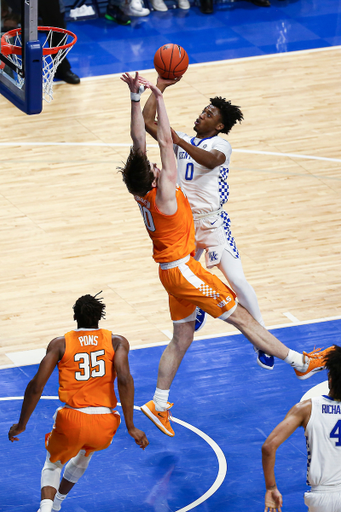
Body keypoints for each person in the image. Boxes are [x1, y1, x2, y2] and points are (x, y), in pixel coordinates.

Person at [119, 71, 333, 439]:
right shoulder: (166, 191)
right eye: (155, 168)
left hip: (172, 268)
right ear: (155, 178)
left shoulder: (142, 191)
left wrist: (138, 99)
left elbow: (140, 139)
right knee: (242, 318)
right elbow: (165, 146)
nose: (156, 165)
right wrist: (159, 96)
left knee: (182, 337)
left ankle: (158, 402)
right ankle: (300, 362)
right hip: (185, 269)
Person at [142, 75, 274, 371]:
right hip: (184, 224)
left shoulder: (221, 145)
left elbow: (211, 161)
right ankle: (199, 307)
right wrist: (159, 86)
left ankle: (262, 338)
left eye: (209, 114)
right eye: (203, 110)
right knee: (181, 279)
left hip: (213, 224)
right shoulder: (182, 141)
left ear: (219, 126)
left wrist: (176, 140)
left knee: (237, 280)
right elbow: (148, 120)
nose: (202, 114)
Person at [8, 293, 148, 512]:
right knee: (86, 452)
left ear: (75, 316)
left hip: (72, 419)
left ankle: (45, 509)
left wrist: (21, 424)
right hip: (105, 422)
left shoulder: (60, 344)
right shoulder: (117, 342)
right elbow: (124, 379)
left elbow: (36, 386)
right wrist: (131, 426)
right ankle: (57, 505)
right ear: (100, 316)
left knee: (53, 463)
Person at [262, 344, 341, 512]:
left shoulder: (306, 408)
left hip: (323, 499)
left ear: (330, 379)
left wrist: (271, 487)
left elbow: (269, 447)